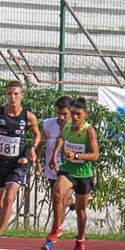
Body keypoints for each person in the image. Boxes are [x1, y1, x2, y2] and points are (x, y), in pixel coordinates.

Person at [0, 80, 40, 249]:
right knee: (0, 204)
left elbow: (37, 135)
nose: (12, 97)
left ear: (22, 96)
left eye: (16, 94)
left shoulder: (28, 117)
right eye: (9, 94)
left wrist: (33, 149)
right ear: (6, 96)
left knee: (9, 198)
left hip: (18, 163)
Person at [45, 97, 99, 250]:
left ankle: (80, 239)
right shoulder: (67, 126)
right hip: (68, 169)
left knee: (81, 211)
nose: (74, 117)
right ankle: (57, 228)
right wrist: (54, 156)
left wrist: (77, 156)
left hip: (83, 174)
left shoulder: (88, 131)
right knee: (57, 193)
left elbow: (95, 156)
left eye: (78, 114)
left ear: (85, 115)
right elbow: (61, 139)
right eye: (73, 113)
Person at [40, 96, 76, 233]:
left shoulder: (77, 127)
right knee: (57, 200)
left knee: (61, 197)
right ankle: (70, 204)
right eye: (58, 113)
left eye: (64, 114)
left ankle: (55, 231)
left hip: (69, 169)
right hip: (53, 168)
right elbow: (40, 144)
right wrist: (37, 160)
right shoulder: (48, 124)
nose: (61, 117)